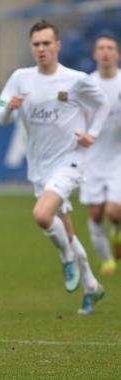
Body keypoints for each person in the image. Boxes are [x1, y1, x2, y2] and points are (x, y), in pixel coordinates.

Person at [0, 20, 110, 315]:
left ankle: (66, 259)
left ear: (58, 45)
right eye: (36, 44)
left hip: (70, 160)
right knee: (67, 232)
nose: (42, 49)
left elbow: (103, 105)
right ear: (31, 47)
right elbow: (1, 116)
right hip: (40, 167)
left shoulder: (75, 79)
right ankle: (92, 287)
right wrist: (10, 107)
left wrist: (92, 134)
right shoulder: (20, 77)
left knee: (42, 215)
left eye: (47, 43)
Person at [79, 35, 121, 276]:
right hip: (92, 156)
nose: (106, 52)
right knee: (96, 213)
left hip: (118, 156)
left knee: (115, 211)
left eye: (110, 48)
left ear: (117, 54)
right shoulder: (87, 84)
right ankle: (107, 261)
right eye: (101, 48)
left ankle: (117, 231)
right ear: (95, 55)